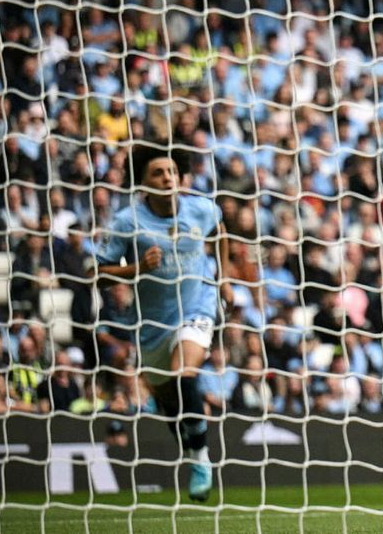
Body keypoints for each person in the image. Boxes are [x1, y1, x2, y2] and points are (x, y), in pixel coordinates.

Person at [93, 145, 232, 502]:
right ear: (143, 181)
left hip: (197, 305)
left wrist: (226, 277)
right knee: (170, 404)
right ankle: (191, 448)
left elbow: (220, 230)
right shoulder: (128, 221)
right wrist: (137, 267)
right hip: (153, 324)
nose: (167, 178)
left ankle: (201, 460)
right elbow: (99, 275)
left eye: (171, 171)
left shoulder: (199, 208)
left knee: (185, 371)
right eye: (158, 172)